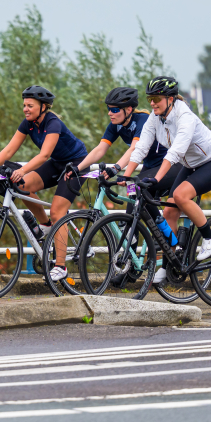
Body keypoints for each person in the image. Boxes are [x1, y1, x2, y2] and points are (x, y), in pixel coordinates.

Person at [65, 86, 182, 285]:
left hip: (170, 166)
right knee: (131, 212)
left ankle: (172, 243)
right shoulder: (115, 124)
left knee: (136, 198)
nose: (110, 113)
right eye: (109, 109)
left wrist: (118, 169)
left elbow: (135, 148)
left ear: (128, 109)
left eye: (115, 109)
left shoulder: (142, 120)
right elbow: (100, 149)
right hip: (148, 168)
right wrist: (78, 167)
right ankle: (132, 266)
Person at [121, 76, 211, 284]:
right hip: (191, 165)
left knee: (180, 196)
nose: (152, 103)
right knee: (169, 211)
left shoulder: (184, 116)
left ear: (170, 98)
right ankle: (167, 264)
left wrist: (156, 178)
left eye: (156, 98)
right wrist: (126, 176)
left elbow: (175, 153)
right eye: (149, 98)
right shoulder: (156, 118)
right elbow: (140, 148)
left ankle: (209, 237)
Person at [0, 85, 89, 282]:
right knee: (21, 186)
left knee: (58, 212)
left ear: (43, 107)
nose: (25, 109)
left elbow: (44, 154)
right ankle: (45, 225)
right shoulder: (28, 124)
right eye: (24, 105)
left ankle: (61, 266)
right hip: (57, 164)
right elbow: (8, 151)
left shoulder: (53, 123)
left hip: (77, 165)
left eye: (30, 105)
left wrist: (22, 170)